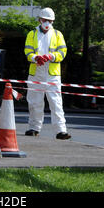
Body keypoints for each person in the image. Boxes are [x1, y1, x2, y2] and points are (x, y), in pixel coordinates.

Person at [24, 7, 71, 140]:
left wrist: (51, 56)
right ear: (40, 20)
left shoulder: (57, 35)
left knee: (56, 102)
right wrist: (35, 58)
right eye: (45, 20)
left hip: (52, 74)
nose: (47, 23)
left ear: (53, 21)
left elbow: (62, 52)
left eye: (50, 21)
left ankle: (61, 130)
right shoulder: (31, 34)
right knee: (34, 102)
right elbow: (28, 52)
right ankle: (34, 128)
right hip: (36, 72)